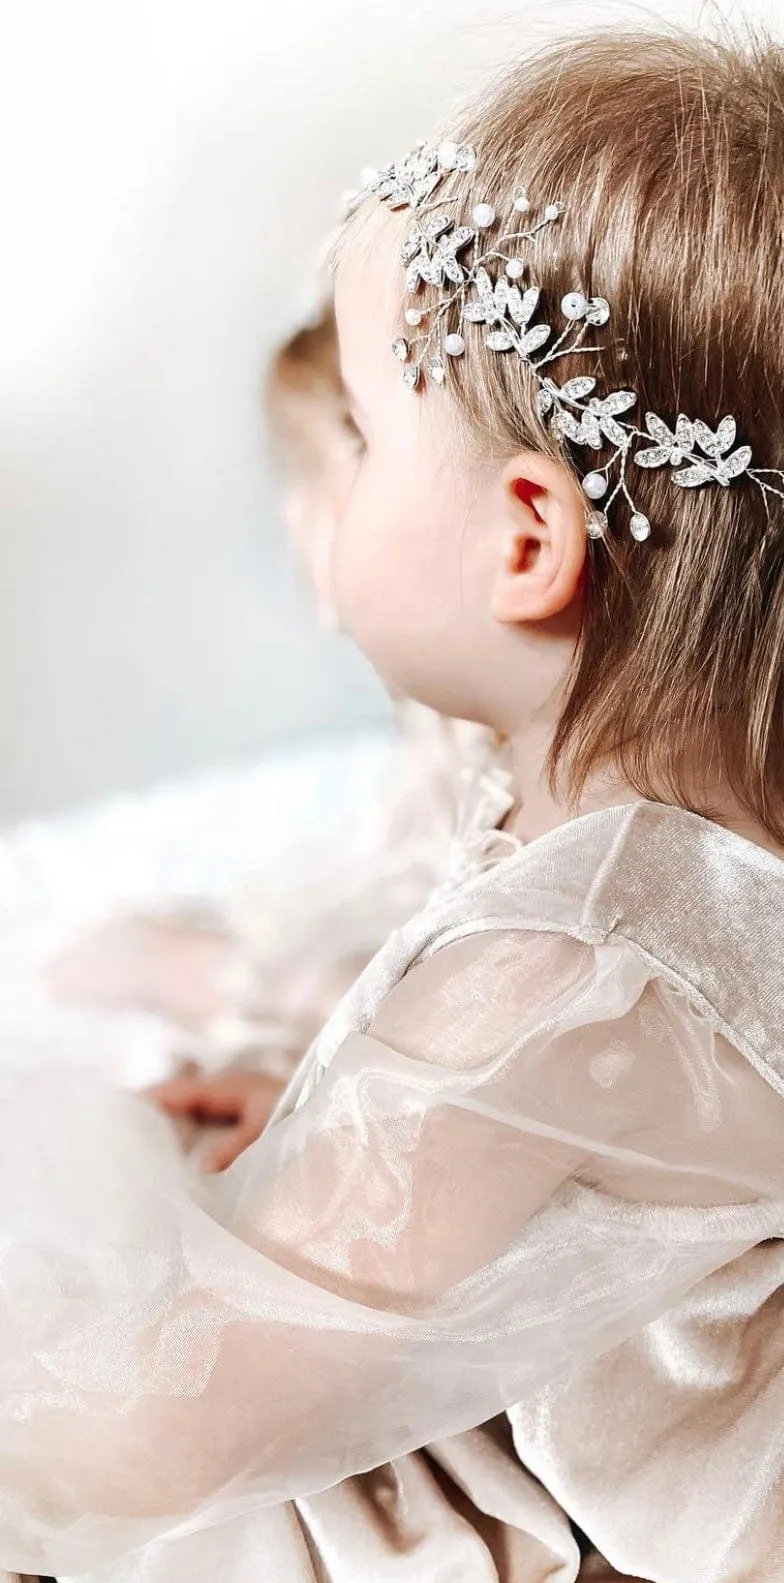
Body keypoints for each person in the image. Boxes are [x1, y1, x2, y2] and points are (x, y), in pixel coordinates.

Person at [0, 22, 784, 1583]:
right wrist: (363, 1132)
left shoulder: (581, 969)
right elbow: (627, 1178)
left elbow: (165, 1428)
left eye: (363, 435)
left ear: (529, 539)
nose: (334, 478)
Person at [41, 306, 509, 1170]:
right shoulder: (432, 725)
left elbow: (459, 990)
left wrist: (222, 983)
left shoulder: (495, 736)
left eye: (311, 478)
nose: (295, 521)